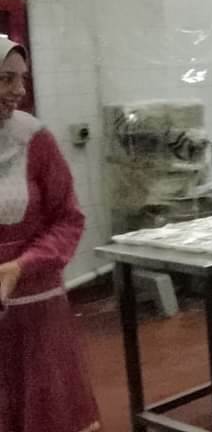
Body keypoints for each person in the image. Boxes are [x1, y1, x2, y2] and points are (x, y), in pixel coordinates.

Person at [0, 36, 101, 432]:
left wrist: (21, 266)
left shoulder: (34, 140)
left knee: (44, 409)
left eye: (21, 79)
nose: (19, 91)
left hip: (36, 306)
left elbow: (67, 219)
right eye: (6, 79)